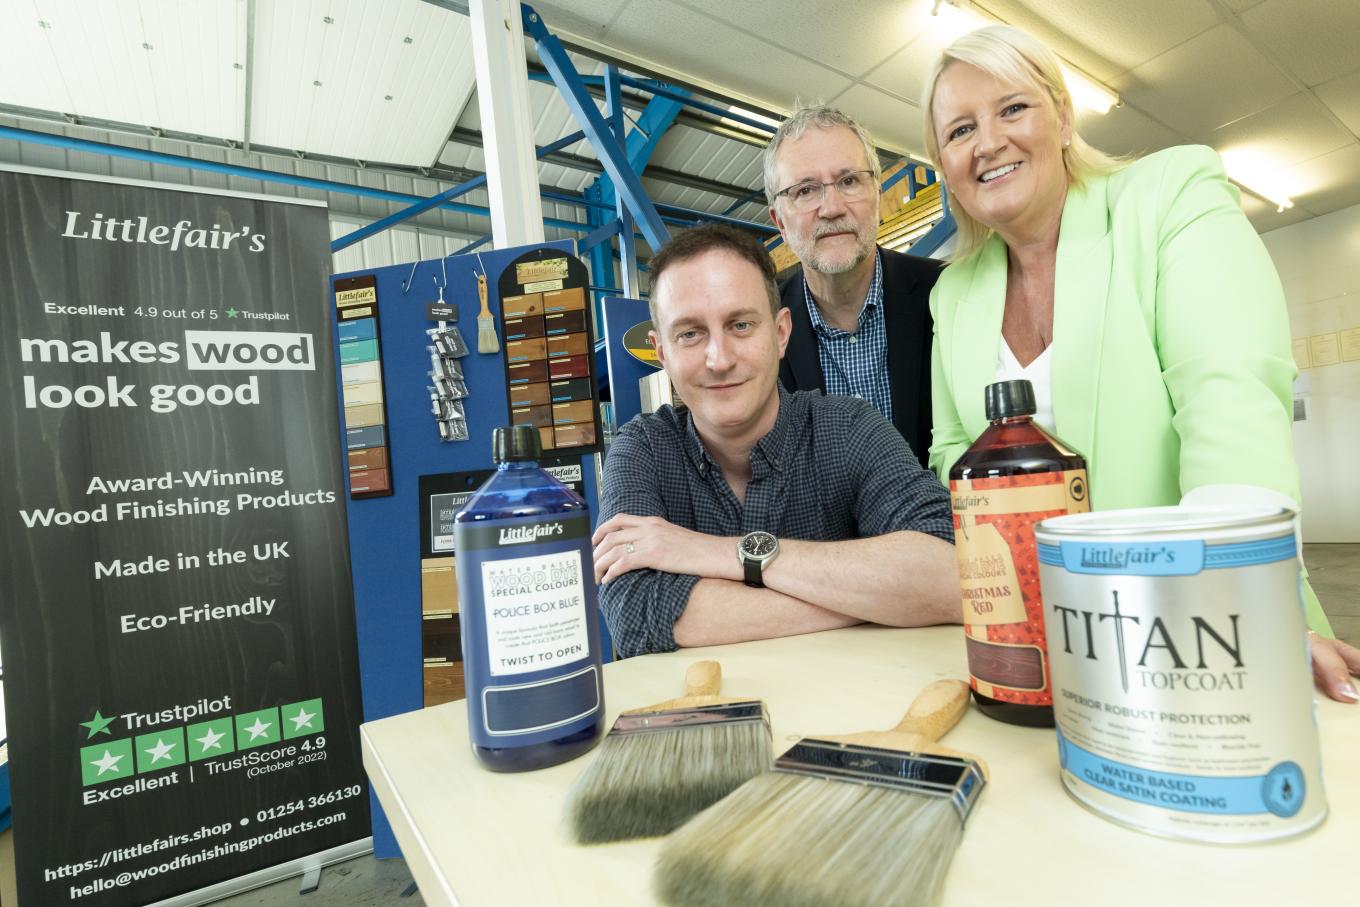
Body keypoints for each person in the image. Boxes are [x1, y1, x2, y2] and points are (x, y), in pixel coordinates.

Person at [921, 24, 1359, 702]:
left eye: (1012, 108)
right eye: (959, 130)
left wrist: (1244, 603)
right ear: (943, 165)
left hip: (1204, 630)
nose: (988, 142)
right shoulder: (952, 294)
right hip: (1039, 646)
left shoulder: (1169, 196)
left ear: (1062, 119)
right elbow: (955, 458)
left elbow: (1228, 400)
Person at [593, 224, 957, 657]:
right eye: (690, 333)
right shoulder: (643, 451)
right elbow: (634, 615)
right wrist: (870, 600)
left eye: (741, 325)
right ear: (662, 353)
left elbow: (951, 574)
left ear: (781, 333)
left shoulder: (849, 429)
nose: (719, 359)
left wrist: (716, 553)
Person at [764, 106, 943, 469]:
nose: (831, 208)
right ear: (779, 221)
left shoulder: (945, 294)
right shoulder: (760, 333)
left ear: (877, 192)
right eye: (805, 190)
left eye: (848, 181)